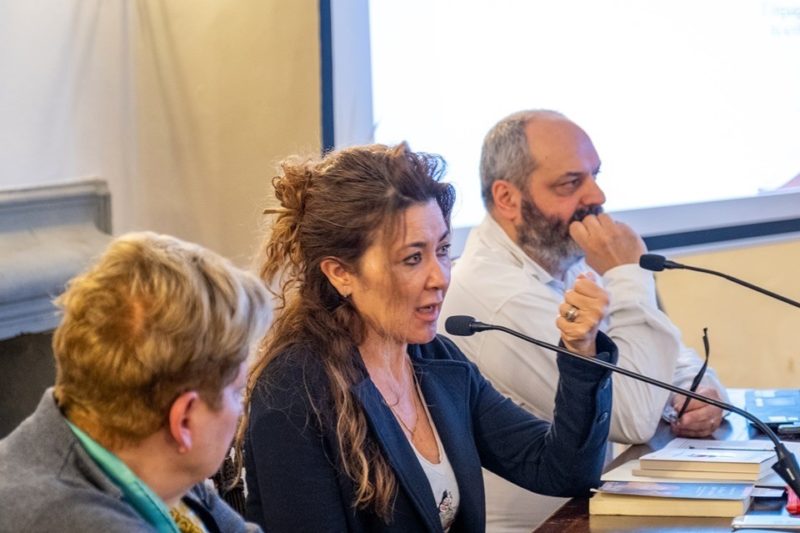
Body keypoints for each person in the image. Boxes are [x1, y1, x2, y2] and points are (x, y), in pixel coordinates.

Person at [239, 143, 618, 532]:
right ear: (341, 273)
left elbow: (560, 469)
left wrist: (581, 352)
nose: (440, 277)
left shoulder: (435, 359)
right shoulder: (293, 391)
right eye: (413, 258)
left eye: (443, 250)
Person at [438, 109, 729, 531]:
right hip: (550, 526)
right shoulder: (494, 295)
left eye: (595, 175)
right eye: (570, 183)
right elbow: (632, 416)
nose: (597, 195)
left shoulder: (565, 257)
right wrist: (627, 274)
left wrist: (699, 389)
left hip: (598, 511)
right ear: (507, 198)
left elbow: (667, 358)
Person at [0, 232, 270, 532]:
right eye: (236, 392)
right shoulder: (78, 522)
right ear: (183, 421)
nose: (241, 409)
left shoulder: (150, 462)